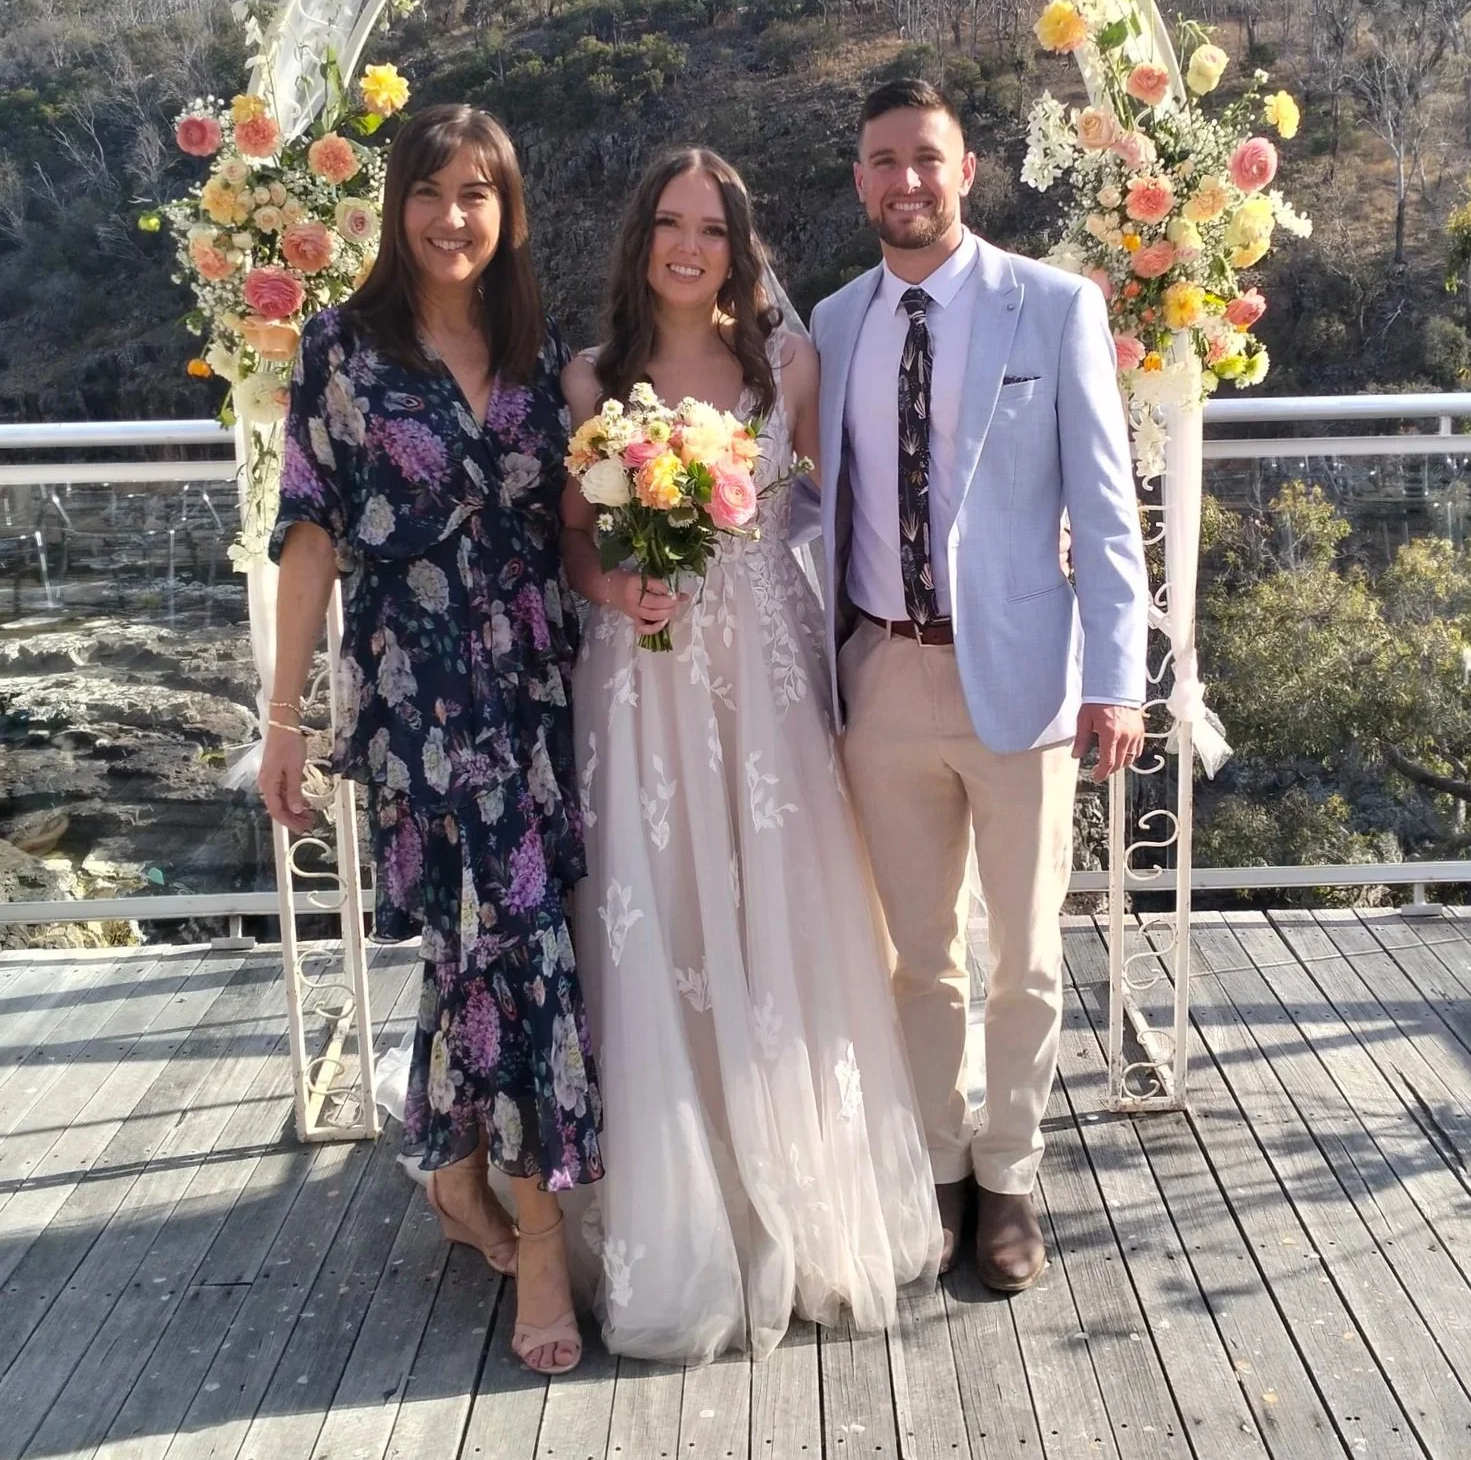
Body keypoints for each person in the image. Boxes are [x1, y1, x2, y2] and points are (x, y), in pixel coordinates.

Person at [561, 147, 940, 1365]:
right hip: (643, 686)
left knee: (784, 919)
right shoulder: (590, 378)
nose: (690, 245)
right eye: (669, 223)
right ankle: (688, 1217)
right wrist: (619, 587)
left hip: (768, 685)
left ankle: (805, 1205)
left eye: (712, 227)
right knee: (664, 922)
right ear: (640, 240)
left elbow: (858, 500)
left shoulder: (786, 365)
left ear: (738, 243)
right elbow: (572, 540)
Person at [258, 102, 600, 1375]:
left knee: (480, 951)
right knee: (516, 951)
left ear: (507, 213)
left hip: (531, 692)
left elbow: (577, 520)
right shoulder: (343, 350)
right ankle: (540, 1238)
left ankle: (449, 1165)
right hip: (418, 700)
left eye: (478, 194)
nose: (451, 217)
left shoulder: (538, 350)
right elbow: (308, 539)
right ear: (394, 204)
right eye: (428, 191)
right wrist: (285, 716)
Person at [807, 78, 1148, 1289]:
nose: (907, 180)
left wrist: (1120, 681)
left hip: (1024, 685)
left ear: (968, 171)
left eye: (928, 159)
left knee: (1025, 955)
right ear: (859, 180)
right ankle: (939, 1165)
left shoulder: (1051, 308)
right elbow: (809, 499)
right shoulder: (832, 320)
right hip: (880, 679)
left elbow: (1106, 519)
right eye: (883, 160)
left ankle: (1009, 1173)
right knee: (917, 958)